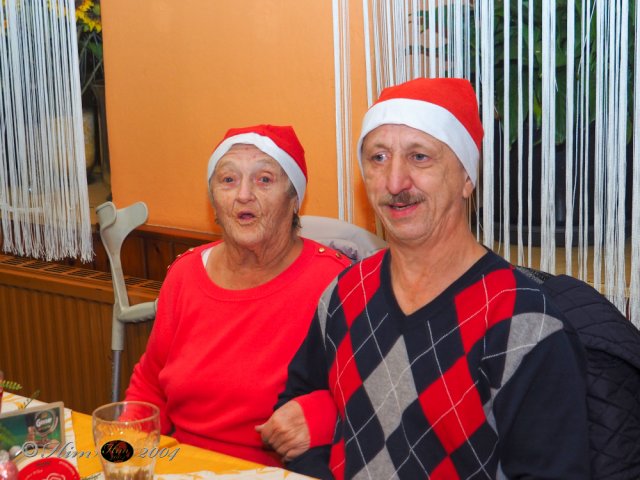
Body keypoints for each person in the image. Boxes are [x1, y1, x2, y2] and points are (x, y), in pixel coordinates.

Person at [266, 78, 591, 479]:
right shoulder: (344, 292)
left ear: (467, 179)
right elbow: (297, 409)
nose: (395, 182)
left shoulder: (525, 324)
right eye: (378, 158)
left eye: (419, 157)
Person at [125, 124, 351, 466]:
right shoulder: (184, 274)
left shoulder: (337, 282)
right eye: (228, 180)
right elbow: (150, 385)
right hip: (180, 463)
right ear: (214, 203)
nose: (244, 194)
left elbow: (377, 393)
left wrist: (323, 417)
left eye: (264, 179)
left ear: (294, 201)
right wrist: (127, 449)